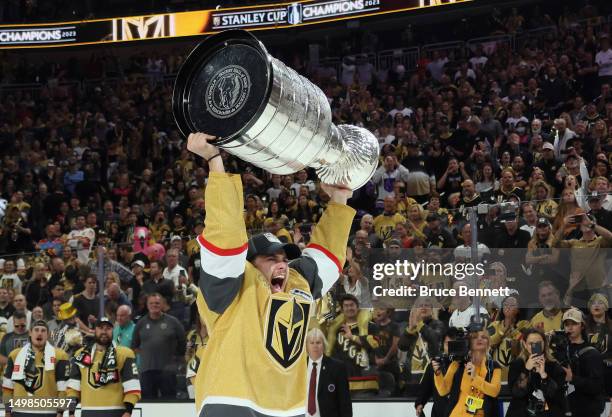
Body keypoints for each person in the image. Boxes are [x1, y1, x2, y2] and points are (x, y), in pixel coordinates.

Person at [187, 132, 354, 417]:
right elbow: (225, 234)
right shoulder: (232, 284)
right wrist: (215, 161)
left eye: (284, 258)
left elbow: (327, 257)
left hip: (287, 406)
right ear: (250, 263)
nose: (281, 264)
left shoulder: (298, 284)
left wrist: (339, 198)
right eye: (270, 258)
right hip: (232, 397)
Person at [67, 317, 141, 417]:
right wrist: (71, 412)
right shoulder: (80, 355)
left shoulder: (124, 354)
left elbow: (132, 386)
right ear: (95, 330)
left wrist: (128, 411)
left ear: (113, 330)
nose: (104, 331)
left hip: (116, 413)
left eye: (108, 328)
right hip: (88, 412)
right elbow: (73, 387)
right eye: (101, 328)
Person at [2, 320, 70, 417]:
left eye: (43, 331)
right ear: (30, 333)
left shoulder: (60, 355)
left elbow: (63, 387)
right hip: (20, 412)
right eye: (36, 330)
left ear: (48, 334)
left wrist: (60, 411)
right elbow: (7, 386)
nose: (39, 333)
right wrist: (8, 411)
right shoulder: (15, 355)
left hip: (48, 413)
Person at [432, 330, 502, 417]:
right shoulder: (458, 364)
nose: (479, 339)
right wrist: (438, 373)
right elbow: (443, 391)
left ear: (488, 343)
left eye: (484, 337)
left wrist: (475, 377)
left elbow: (494, 391)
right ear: (469, 342)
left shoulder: (493, 366)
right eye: (475, 337)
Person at [131, 293, 185, 399]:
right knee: (148, 404)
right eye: (151, 303)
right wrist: (146, 356)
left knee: (169, 403)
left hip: (168, 371)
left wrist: (176, 359)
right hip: (146, 371)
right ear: (147, 305)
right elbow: (134, 346)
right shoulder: (141, 323)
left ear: (162, 304)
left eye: (157, 303)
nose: (154, 305)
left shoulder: (173, 322)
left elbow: (182, 341)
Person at [506, 328, 566, 417]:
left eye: (538, 343)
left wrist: (543, 375)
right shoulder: (517, 364)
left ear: (544, 343)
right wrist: (526, 370)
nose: (535, 346)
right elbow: (516, 393)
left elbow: (557, 396)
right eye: (531, 344)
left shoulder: (554, 365)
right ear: (524, 344)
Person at [560, 308, 605, 417]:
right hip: (565, 408)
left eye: (574, 323)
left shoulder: (592, 353)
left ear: (582, 326)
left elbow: (597, 386)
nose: (570, 327)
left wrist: (573, 379)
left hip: (587, 409)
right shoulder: (560, 350)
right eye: (567, 324)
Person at [306, 328, 352, 417]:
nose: (315, 346)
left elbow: (345, 402)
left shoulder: (337, 368)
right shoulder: (300, 368)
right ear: (306, 346)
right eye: (311, 343)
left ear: (324, 345)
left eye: (318, 342)